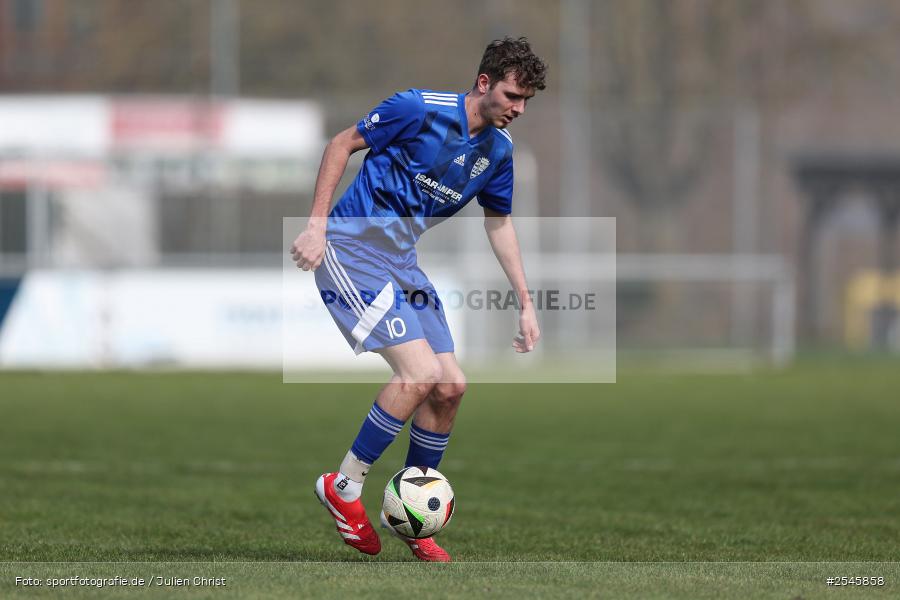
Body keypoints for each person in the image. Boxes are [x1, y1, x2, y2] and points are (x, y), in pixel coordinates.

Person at [290, 37, 547, 562]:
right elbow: (340, 144)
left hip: (402, 264)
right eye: (512, 96)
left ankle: (410, 517)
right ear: (483, 84)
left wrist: (525, 300)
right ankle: (343, 487)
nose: (519, 109)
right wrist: (315, 227)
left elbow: (499, 223)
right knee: (419, 374)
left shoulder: (498, 152)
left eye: (526, 101)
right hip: (350, 249)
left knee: (451, 386)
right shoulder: (416, 108)